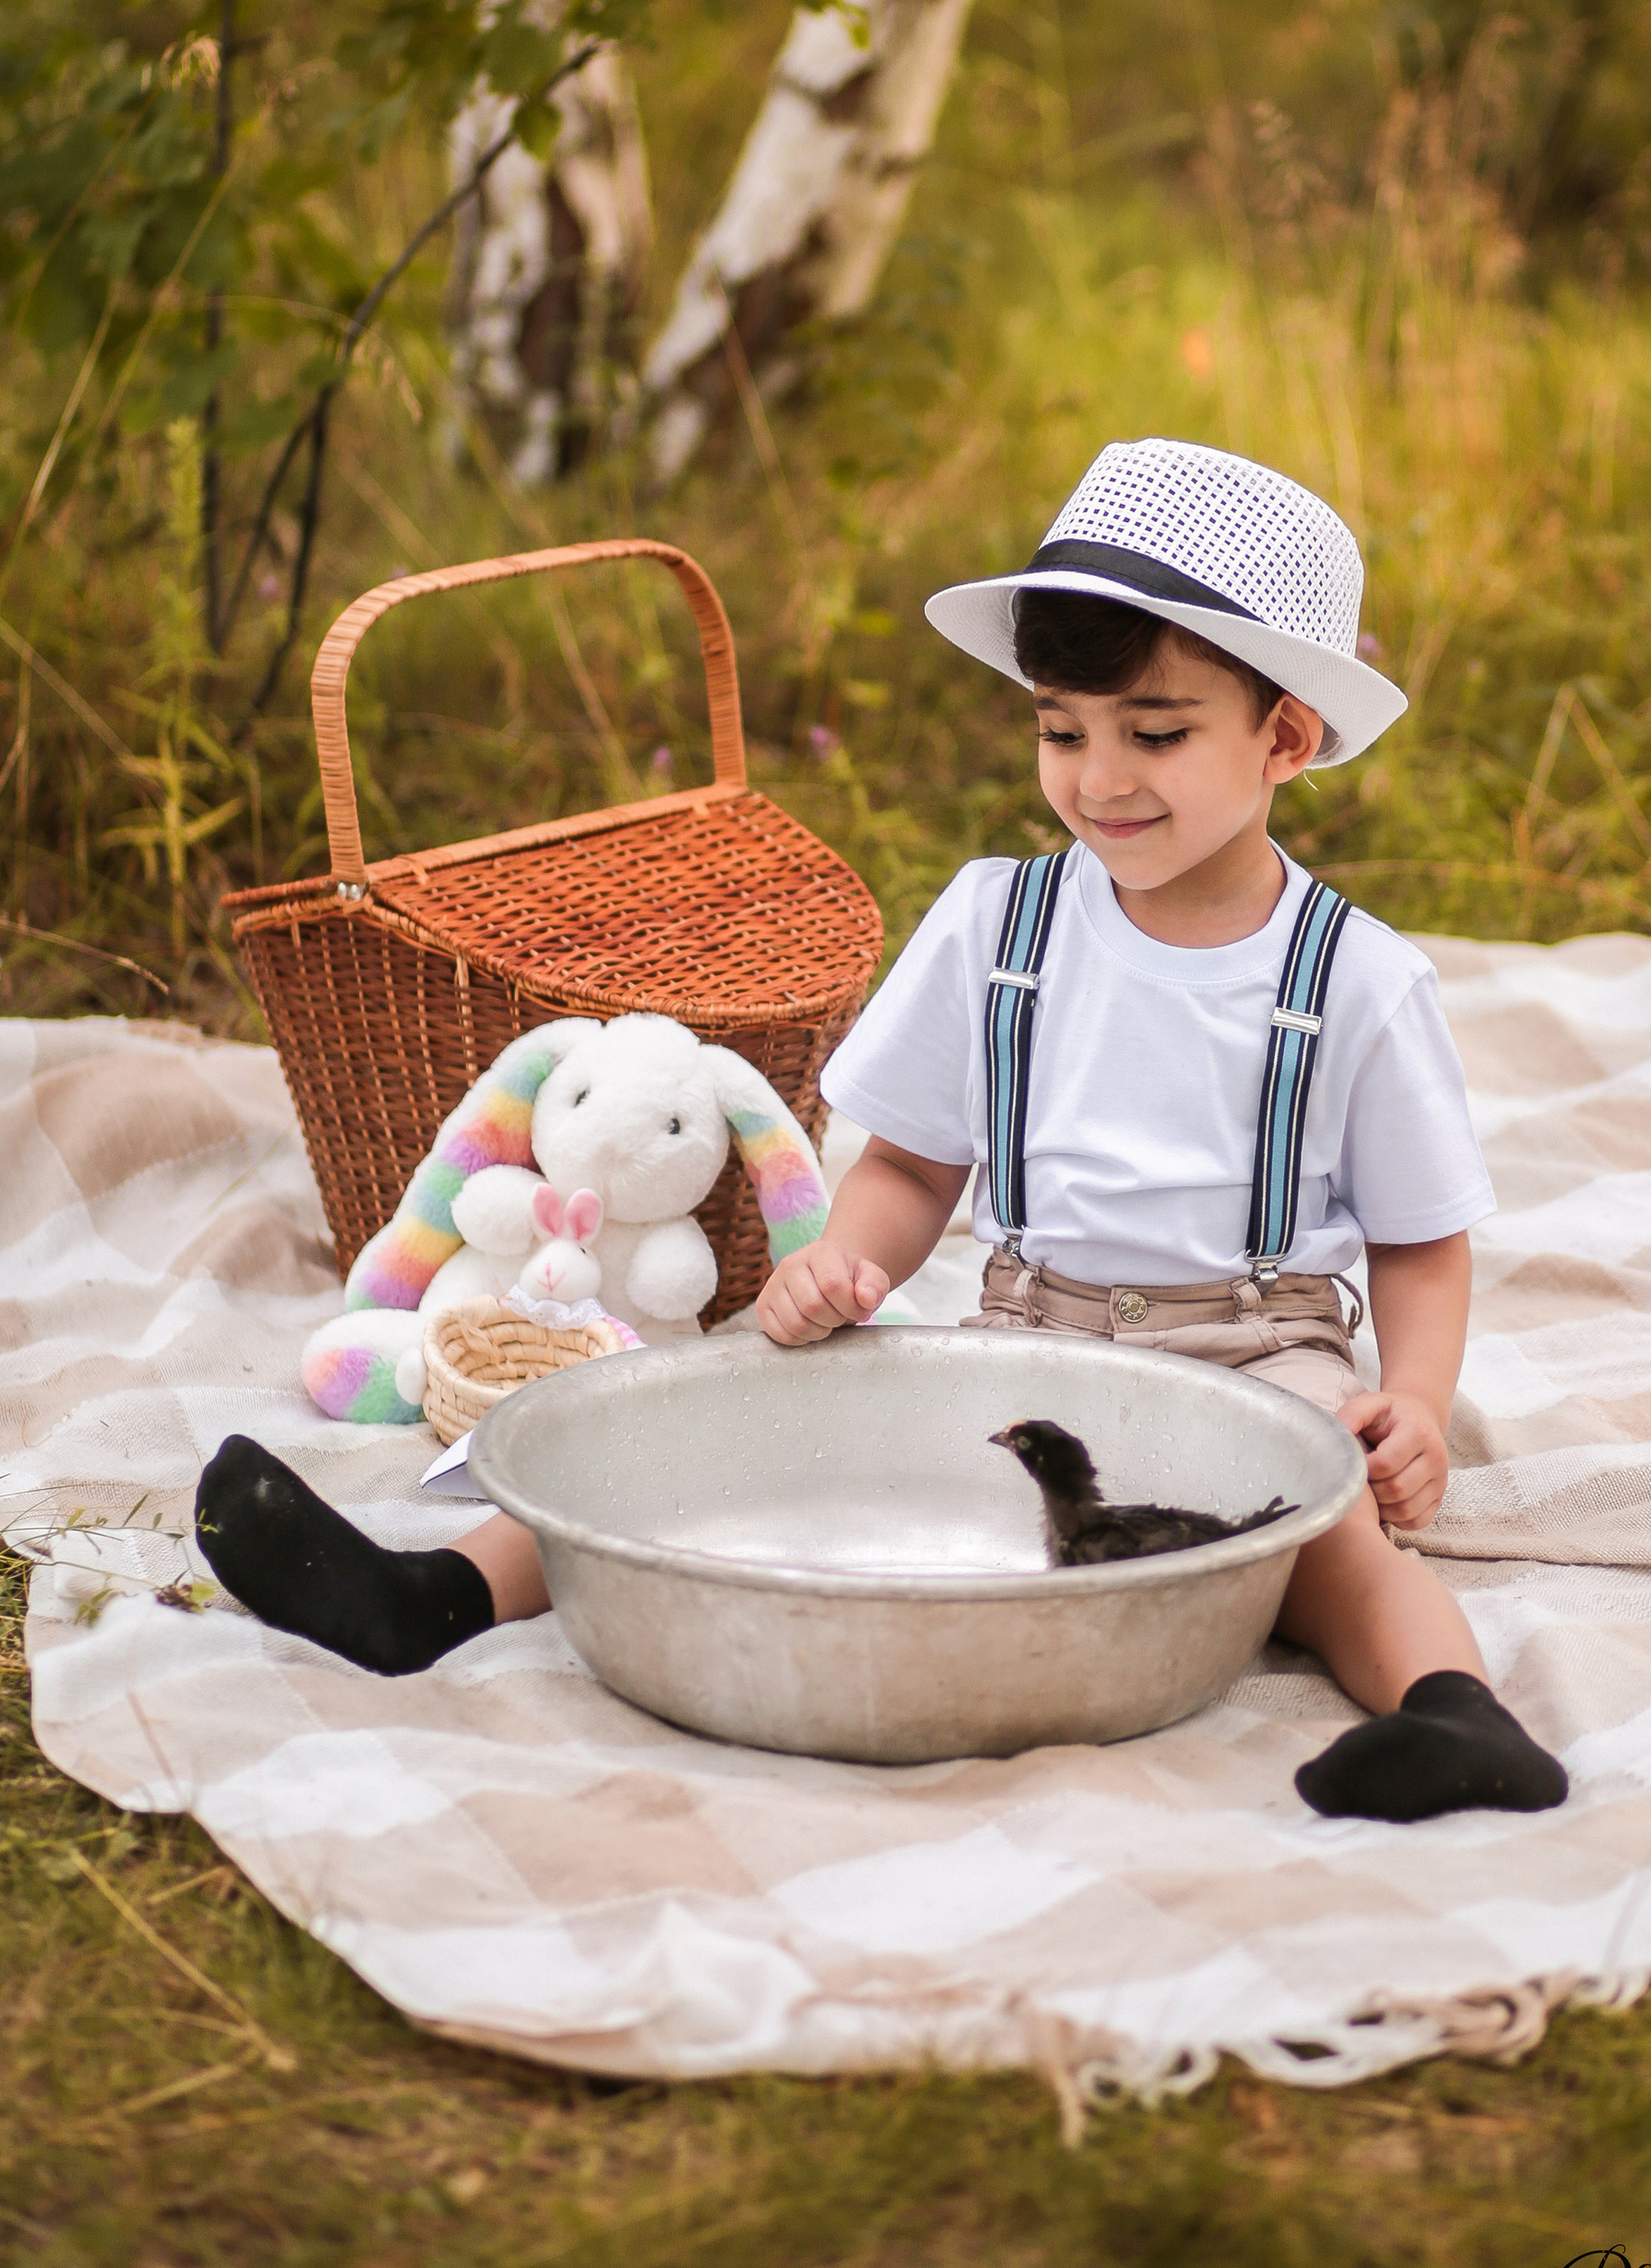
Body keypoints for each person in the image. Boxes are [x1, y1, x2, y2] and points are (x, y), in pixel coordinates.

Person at [196, 437, 1566, 1823]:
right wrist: (847, 1262)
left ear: (1285, 737)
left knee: (1324, 1536)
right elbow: (912, 1165)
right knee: (730, 1413)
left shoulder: (1355, 979)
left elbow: (1421, 1238)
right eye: (1060, 729)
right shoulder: (1001, 927)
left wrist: (1418, 1403)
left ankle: (1454, 1716)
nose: (1102, 779)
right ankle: (430, 1593)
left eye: (1156, 732)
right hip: (1032, 1329)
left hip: (1256, 1345)